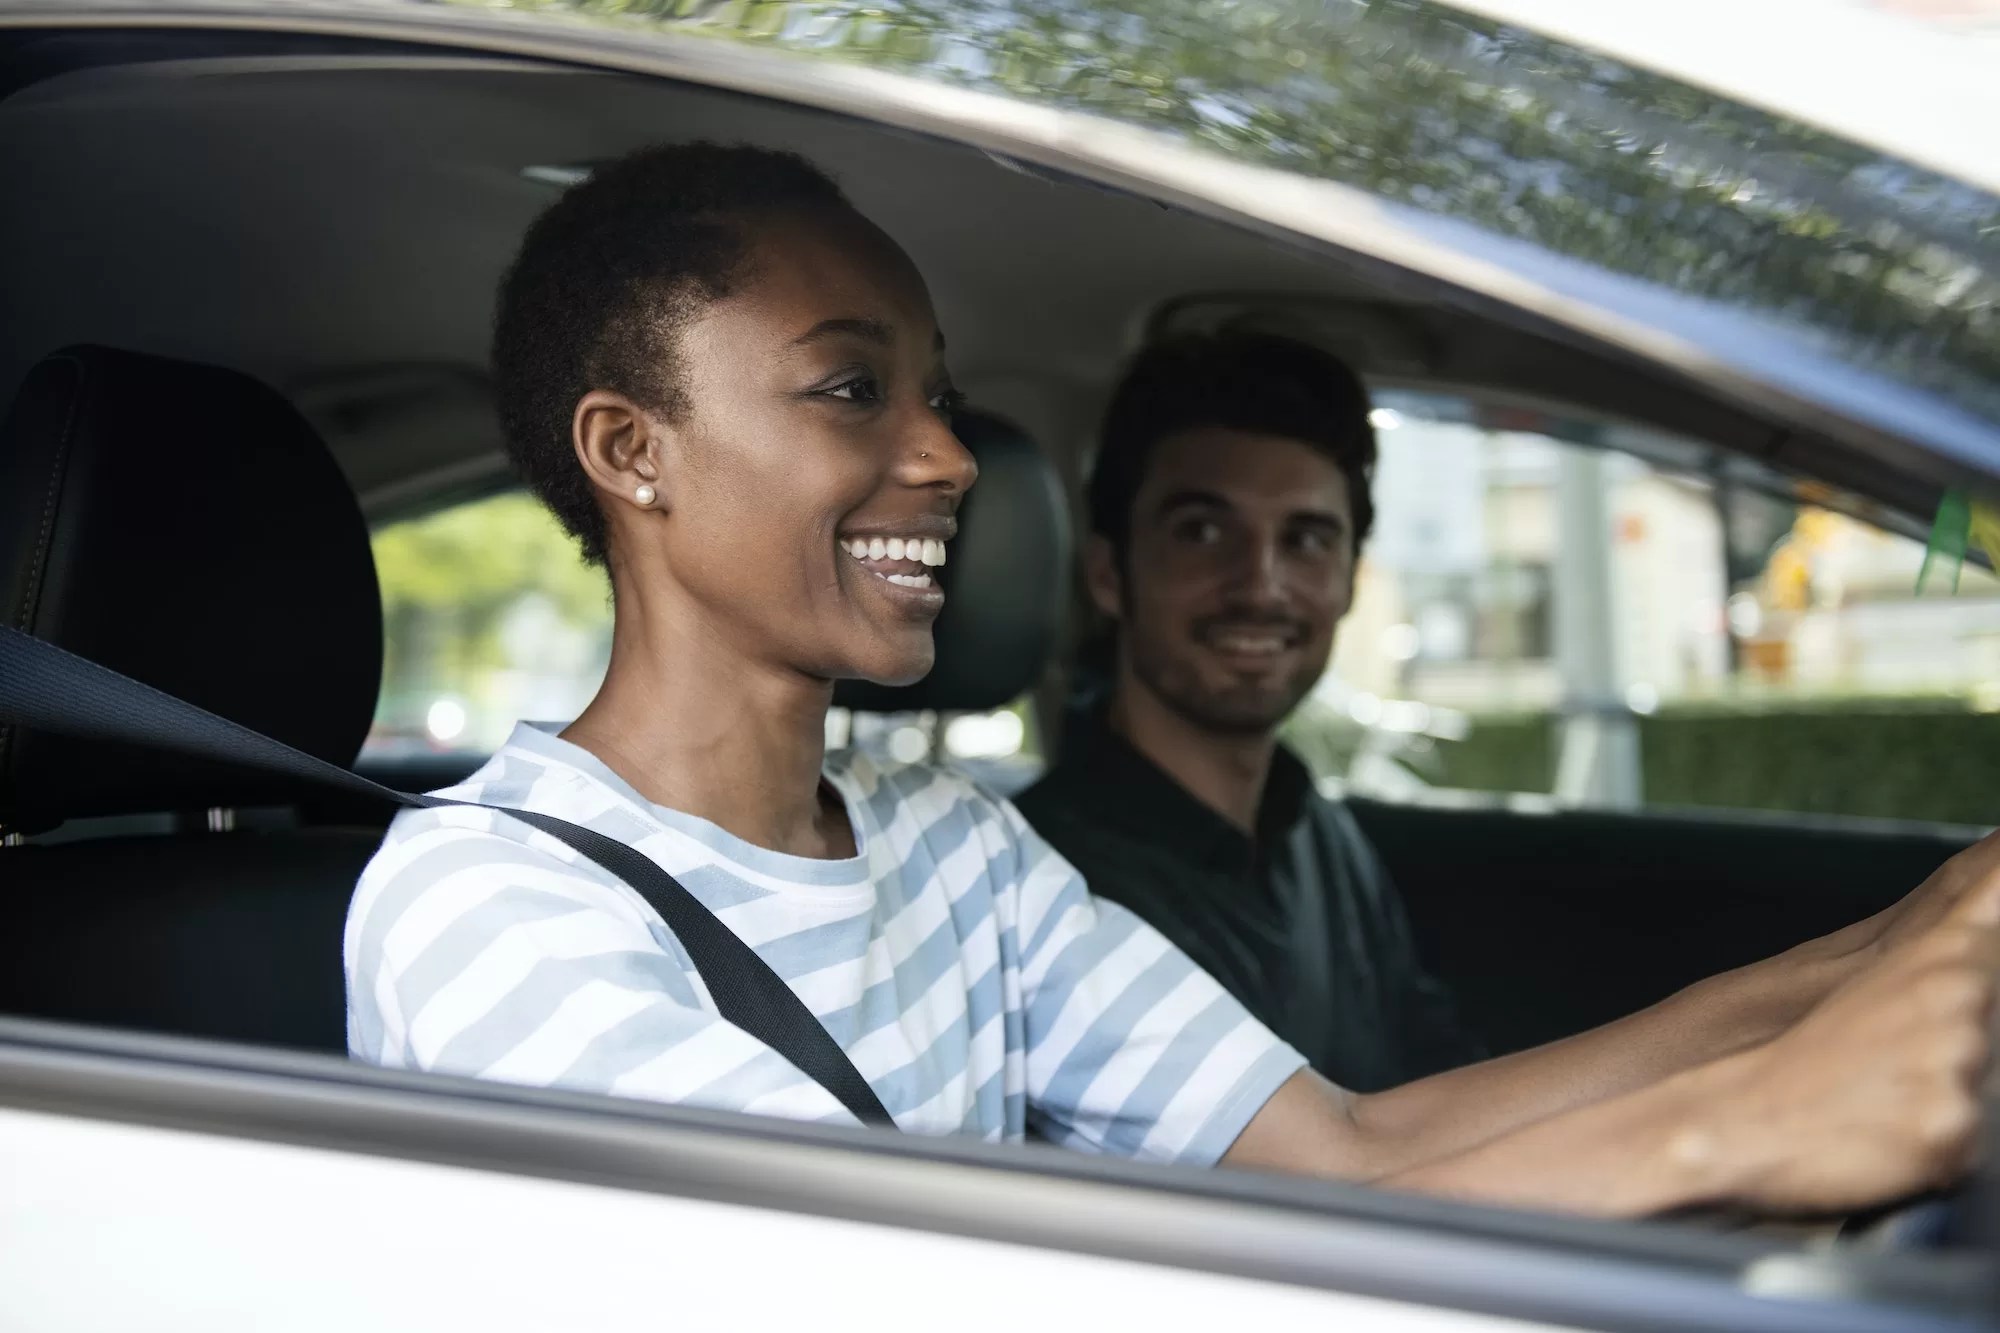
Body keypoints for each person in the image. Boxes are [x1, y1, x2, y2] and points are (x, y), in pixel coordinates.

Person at [345, 141, 2000, 1219]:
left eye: (939, 394)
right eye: (853, 389)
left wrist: (1894, 943)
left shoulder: (950, 848)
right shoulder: (485, 907)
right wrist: (1744, 1129)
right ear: (633, 450)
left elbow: (1353, 1153)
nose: (944, 455)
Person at [1016, 335, 1481, 1092]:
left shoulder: (1319, 834)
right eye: (1203, 530)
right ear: (1109, 574)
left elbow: (1441, 1072)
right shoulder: (1052, 884)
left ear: (1349, 583)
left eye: (1306, 539)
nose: (1260, 585)